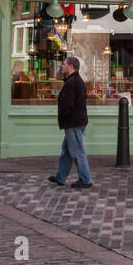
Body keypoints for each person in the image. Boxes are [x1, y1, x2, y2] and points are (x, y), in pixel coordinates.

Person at [48, 55, 92, 189]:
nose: (62, 66)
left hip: (73, 122)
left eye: (64, 64)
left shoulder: (72, 82)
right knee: (67, 150)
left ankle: (85, 179)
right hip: (75, 121)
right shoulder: (75, 81)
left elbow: (68, 105)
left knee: (77, 150)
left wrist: (63, 118)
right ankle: (60, 177)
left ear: (71, 67)